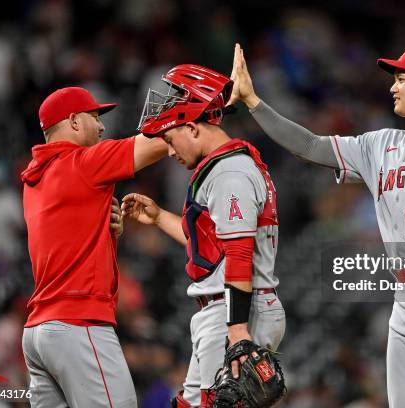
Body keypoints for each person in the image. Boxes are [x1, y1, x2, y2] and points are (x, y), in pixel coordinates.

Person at [230, 43, 405, 407]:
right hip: (404, 297)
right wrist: (253, 102)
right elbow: (310, 145)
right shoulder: (380, 144)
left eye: (402, 78)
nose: (393, 86)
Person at [122, 64, 285, 408]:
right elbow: (216, 247)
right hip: (231, 307)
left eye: (170, 139)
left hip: (236, 310)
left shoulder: (230, 171)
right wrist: (158, 218)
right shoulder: (226, 167)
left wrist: (237, 332)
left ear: (193, 128)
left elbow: (240, 252)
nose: (168, 151)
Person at [21, 86, 169, 408]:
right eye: (94, 117)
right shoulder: (83, 163)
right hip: (79, 325)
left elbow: (67, 231)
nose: (102, 126)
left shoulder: (34, 178)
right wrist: (196, 118)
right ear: (73, 121)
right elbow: (159, 144)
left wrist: (104, 224)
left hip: (37, 333)